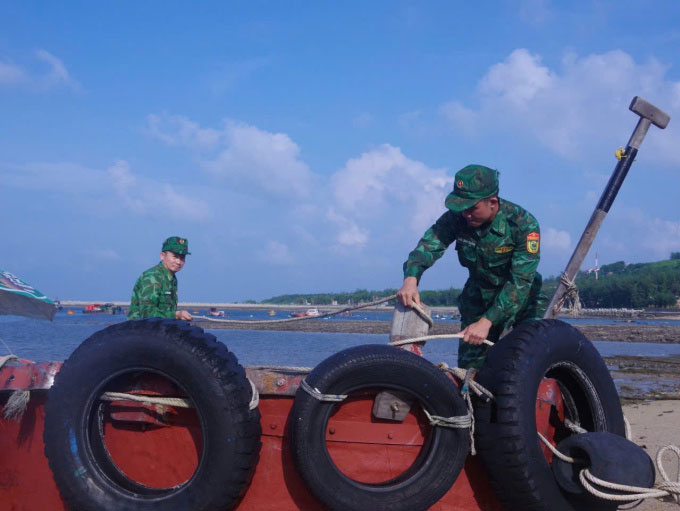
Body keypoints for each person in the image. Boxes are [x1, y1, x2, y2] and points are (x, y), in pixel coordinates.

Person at [397, 164, 547, 369]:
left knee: (527, 364)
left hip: (523, 299)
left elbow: (519, 282)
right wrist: (411, 278)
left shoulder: (523, 225)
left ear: (492, 202)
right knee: (470, 370)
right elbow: (429, 245)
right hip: (479, 295)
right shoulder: (458, 217)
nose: (466, 214)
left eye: (472, 208)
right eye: (461, 207)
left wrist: (487, 322)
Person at [127, 236, 193, 321]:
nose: (178, 262)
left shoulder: (171, 278)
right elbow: (147, 313)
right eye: (175, 257)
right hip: (139, 330)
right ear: (162, 256)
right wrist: (176, 315)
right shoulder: (152, 277)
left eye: (182, 258)